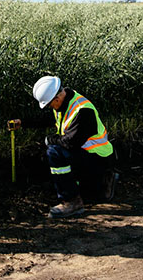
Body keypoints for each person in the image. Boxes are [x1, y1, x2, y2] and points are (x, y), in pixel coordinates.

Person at [9, 76, 119, 218]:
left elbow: (70, 143)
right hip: (88, 155)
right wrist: (24, 123)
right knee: (92, 193)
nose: (50, 107)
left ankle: (71, 202)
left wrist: (49, 140)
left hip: (99, 158)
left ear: (56, 98)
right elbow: (51, 120)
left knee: (55, 152)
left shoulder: (82, 111)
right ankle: (103, 181)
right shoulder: (65, 101)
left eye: (49, 105)